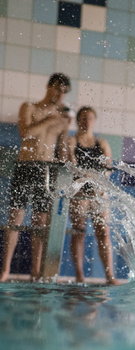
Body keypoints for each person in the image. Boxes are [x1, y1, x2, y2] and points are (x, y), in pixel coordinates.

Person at [0, 73, 72, 282]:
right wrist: (50, 120)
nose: (60, 95)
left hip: (46, 171)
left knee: (40, 222)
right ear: (49, 87)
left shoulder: (62, 118)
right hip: (25, 166)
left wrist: (69, 163)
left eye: (64, 92)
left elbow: (62, 149)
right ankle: (4, 270)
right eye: (58, 89)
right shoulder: (29, 108)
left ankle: (36, 271)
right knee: (15, 220)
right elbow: (26, 133)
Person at [67, 106, 119, 285]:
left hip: (98, 193)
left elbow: (108, 167)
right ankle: (79, 276)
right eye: (82, 117)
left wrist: (98, 183)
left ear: (94, 120)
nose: (86, 120)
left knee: (103, 232)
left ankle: (109, 276)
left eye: (89, 117)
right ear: (78, 120)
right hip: (80, 193)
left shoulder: (102, 143)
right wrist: (85, 178)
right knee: (79, 231)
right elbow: (72, 163)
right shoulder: (72, 140)